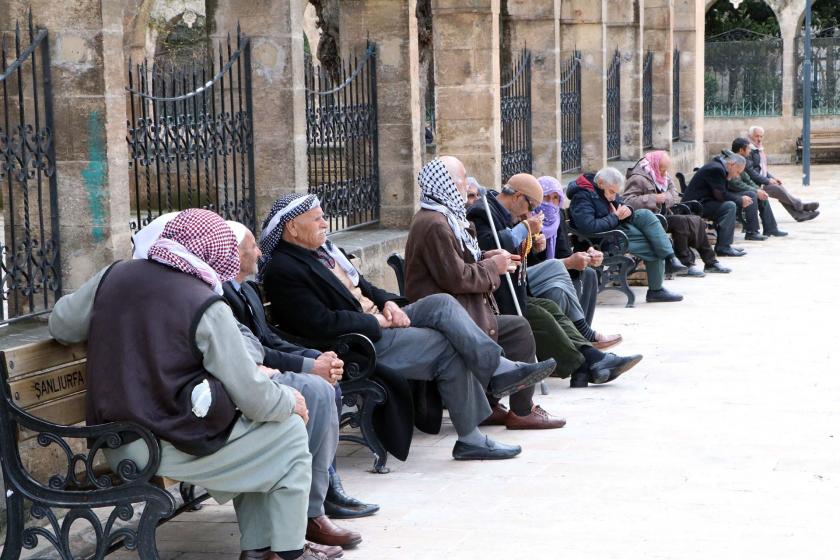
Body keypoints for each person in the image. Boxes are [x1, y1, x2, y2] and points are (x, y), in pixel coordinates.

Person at [49, 209, 328, 560]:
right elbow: (255, 398)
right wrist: (289, 401)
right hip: (160, 442)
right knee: (285, 432)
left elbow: (61, 325)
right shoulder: (205, 303)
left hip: (115, 440)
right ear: (212, 253)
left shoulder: (115, 274)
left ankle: (258, 550)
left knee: (262, 432)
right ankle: (288, 553)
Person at [260, 193, 557, 461]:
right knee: (446, 345)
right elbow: (319, 324)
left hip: (381, 321)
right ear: (293, 228)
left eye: (324, 216)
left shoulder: (325, 252)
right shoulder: (284, 269)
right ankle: (472, 432)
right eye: (317, 218)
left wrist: (388, 303)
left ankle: (497, 369)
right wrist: (377, 320)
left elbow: (367, 288)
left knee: (440, 302)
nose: (325, 222)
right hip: (358, 342)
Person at [409, 158, 641, 392]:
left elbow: (474, 254)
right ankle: (579, 367)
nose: (464, 193)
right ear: (518, 197)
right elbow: (459, 274)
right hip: (480, 300)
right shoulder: (469, 215)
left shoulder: (449, 219)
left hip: (503, 290)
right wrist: (504, 250)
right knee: (535, 317)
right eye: (459, 185)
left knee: (551, 307)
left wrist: (507, 250)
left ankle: (590, 357)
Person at [223, 221, 377, 552]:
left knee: (325, 384)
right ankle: (307, 512)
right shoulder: (218, 295)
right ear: (233, 254)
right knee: (318, 390)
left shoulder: (246, 288)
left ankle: (317, 498)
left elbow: (269, 340)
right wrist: (311, 365)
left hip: (264, 372)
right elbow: (252, 354)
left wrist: (315, 357)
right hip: (241, 389)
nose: (260, 252)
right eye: (252, 246)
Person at [470, 174, 621, 349]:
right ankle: (585, 337)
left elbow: (559, 252)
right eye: (536, 204)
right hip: (511, 283)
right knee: (556, 278)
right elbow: (491, 247)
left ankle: (582, 348)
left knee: (577, 279)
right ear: (518, 197)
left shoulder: (524, 214)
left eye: (555, 198)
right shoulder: (489, 212)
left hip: (531, 278)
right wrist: (526, 230)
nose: (548, 205)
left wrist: (540, 249)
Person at [568, 167, 684, 303]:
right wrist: (615, 217)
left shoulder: (604, 188)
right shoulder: (583, 196)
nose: (613, 196)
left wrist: (627, 210)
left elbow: (620, 204)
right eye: (611, 192)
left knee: (645, 215)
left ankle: (670, 258)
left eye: (615, 193)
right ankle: (657, 287)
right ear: (600, 183)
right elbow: (588, 227)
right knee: (655, 245)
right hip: (600, 241)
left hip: (615, 230)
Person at [622, 151, 731, 276]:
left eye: (665, 169)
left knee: (696, 220)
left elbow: (674, 195)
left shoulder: (664, 177)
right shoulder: (638, 178)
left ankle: (711, 262)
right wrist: (653, 198)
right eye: (662, 169)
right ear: (654, 165)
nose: (664, 173)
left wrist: (666, 198)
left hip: (663, 215)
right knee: (681, 223)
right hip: (649, 220)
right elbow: (628, 201)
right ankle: (686, 264)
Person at [528, 176, 603, 328]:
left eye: (555, 198)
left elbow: (564, 253)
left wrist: (587, 255)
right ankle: (578, 337)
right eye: (545, 197)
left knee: (589, 273)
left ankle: (584, 335)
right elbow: (530, 262)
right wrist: (538, 248)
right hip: (536, 276)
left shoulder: (558, 215)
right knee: (558, 288)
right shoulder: (528, 219)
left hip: (557, 270)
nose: (550, 203)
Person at [683, 152, 756, 256]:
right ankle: (723, 247)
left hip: (703, 202)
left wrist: (739, 198)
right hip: (696, 205)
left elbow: (721, 192)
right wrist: (739, 200)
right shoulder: (716, 169)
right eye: (737, 172)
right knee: (729, 207)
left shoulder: (719, 166)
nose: (737, 176)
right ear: (732, 164)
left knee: (730, 204)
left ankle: (725, 245)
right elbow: (720, 195)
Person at [746, 125, 819, 222]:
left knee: (779, 187)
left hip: (761, 181)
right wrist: (768, 180)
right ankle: (800, 206)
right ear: (750, 136)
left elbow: (762, 169)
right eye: (756, 136)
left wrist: (773, 178)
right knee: (777, 190)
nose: (759, 139)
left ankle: (798, 214)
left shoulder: (758, 149)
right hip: (753, 184)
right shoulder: (748, 150)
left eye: (761, 136)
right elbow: (751, 172)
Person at [729, 138, 787, 237]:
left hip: (735, 189)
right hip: (728, 191)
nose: (750, 151)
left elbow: (747, 180)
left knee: (761, 194)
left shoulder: (740, 159)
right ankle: (752, 232)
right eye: (748, 149)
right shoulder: (733, 161)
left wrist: (759, 190)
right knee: (752, 194)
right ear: (741, 150)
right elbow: (736, 183)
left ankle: (771, 228)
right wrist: (756, 190)